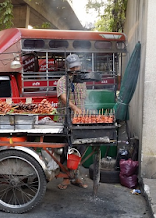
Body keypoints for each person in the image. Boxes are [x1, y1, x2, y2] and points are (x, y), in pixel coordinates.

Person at [56, 54, 88, 190]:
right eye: (73, 67)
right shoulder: (62, 81)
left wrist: (84, 111)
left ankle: (74, 175)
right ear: (68, 68)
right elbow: (63, 97)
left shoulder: (82, 81)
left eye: (77, 66)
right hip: (65, 119)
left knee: (81, 147)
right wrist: (74, 108)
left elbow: (84, 99)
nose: (76, 69)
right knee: (67, 148)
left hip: (79, 120)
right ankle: (66, 176)